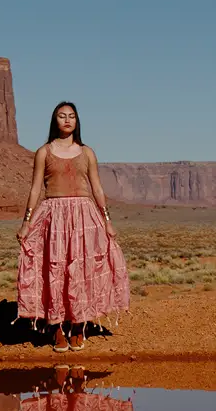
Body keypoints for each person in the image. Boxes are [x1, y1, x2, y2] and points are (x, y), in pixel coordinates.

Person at [15, 102, 131, 353]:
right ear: (54, 120)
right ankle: (56, 327)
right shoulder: (43, 152)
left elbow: (97, 188)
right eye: (61, 116)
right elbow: (35, 189)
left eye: (72, 116)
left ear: (77, 122)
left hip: (83, 217)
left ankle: (78, 325)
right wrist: (26, 223)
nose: (67, 120)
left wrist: (107, 221)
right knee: (55, 269)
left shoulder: (87, 152)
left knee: (80, 269)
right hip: (53, 215)